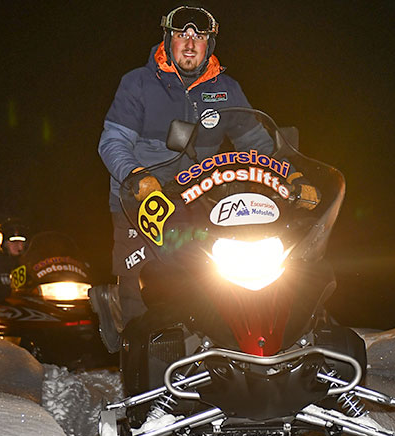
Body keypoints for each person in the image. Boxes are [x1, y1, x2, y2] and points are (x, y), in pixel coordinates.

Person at [98, 5, 269, 328]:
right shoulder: (138, 84)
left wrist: (290, 175)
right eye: (181, 35)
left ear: (209, 44)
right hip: (143, 202)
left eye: (199, 37)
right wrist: (137, 176)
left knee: (221, 280)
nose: (190, 44)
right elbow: (112, 142)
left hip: (202, 200)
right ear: (168, 39)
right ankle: (138, 350)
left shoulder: (226, 90)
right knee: (143, 287)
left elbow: (257, 143)